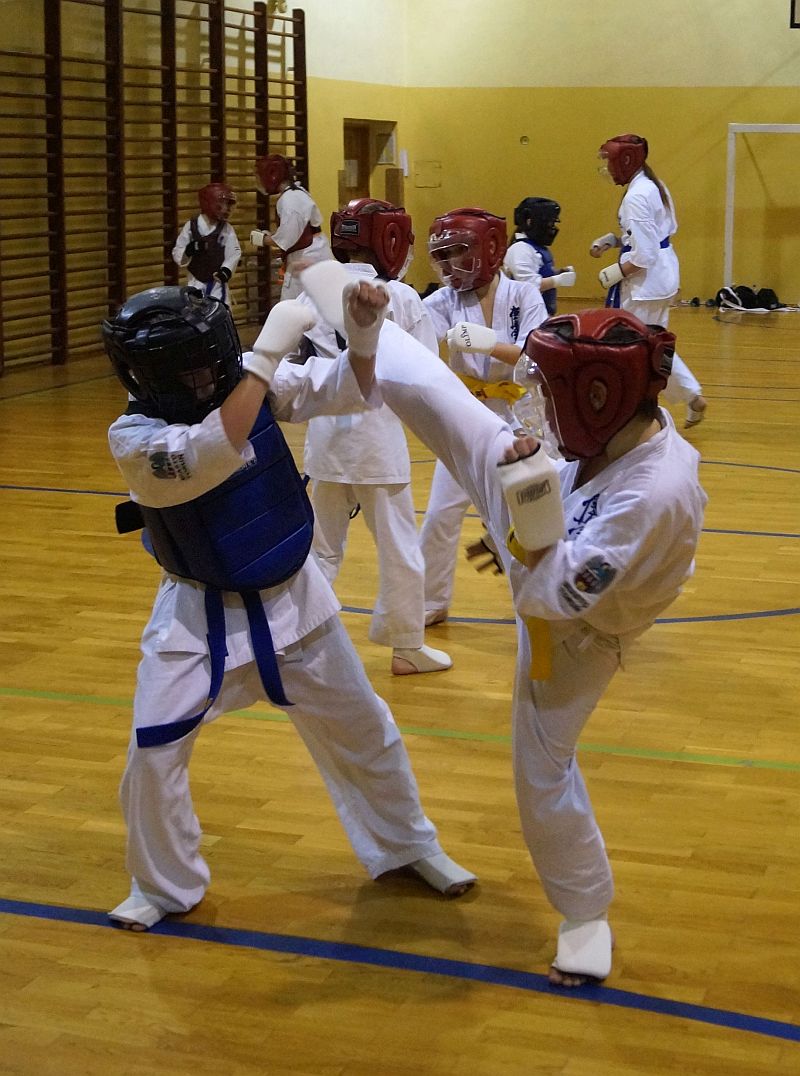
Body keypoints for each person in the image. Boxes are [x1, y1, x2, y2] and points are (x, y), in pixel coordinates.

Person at [300, 259, 707, 986]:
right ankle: (363, 318)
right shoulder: (620, 428)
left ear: (599, 397)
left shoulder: (656, 495)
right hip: (545, 528)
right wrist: (524, 496)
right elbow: (546, 470)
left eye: (555, 393)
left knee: (541, 771)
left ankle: (586, 916)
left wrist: (526, 507)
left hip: (580, 632)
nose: (543, 404)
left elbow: (553, 599)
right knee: (449, 406)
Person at [100, 283, 477, 931]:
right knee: (153, 752)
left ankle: (408, 845)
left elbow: (349, 388)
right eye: (182, 371)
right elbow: (207, 452)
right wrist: (264, 358)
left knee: (365, 728)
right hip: (197, 617)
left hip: (295, 598)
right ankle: (163, 886)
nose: (198, 379)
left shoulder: (255, 384)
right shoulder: (134, 434)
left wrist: (362, 334)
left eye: (204, 365)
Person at [300, 197, 451, 675]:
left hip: (324, 440)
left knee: (320, 548)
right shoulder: (400, 297)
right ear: (390, 239)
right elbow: (425, 373)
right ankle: (406, 646)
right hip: (378, 444)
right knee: (399, 548)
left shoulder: (310, 292)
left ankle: (296, 639)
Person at [419, 207, 549, 625]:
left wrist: (489, 343)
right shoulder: (442, 301)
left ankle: (538, 604)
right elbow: (412, 337)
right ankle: (430, 602)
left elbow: (537, 357)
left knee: (526, 517)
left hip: (519, 416)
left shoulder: (523, 295)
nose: (448, 264)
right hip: (465, 416)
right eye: (442, 256)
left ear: (488, 249)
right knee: (440, 515)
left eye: (456, 252)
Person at [591, 133, 708, 428]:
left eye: (610, 162)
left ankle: (633, 412)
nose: (607, 169)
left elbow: (644, 255)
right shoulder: (653, 184)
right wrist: (615, 240)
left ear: (626, 161)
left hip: (645, 284)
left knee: (629, 348)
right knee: (655, 344)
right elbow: (655, 235)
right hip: (662, 276)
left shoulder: (637, 196)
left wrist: (615, 272)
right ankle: (691, 396)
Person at [249, 153, 333, 299]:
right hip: (310, 254)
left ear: (272, 175)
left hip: (308, 258)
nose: (259, 182)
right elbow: (293, 234)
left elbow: (286, 239)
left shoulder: (290, 200)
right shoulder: (297, 193)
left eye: (260, 177)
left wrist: (262, 239)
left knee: (294, 305)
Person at [503, 197, 576, 314]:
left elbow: (536, 273)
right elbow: (529, 285)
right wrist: (558, 280)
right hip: (523, 318)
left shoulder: (534, 248)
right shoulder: (520, 249)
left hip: (539, 315)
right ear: (529, 222)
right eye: (549, 223)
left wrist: (558, 273)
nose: (552, 227)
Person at [172, 182, 241, 304]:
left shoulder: (226, 229)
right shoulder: (191, 227)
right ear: (210, 203)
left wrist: (226, 270)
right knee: (195, 311)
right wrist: (189, 250)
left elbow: (234, 252)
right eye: (223, 204)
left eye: (228, 204)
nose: (226, 208)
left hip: (217, 284)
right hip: (195, 282)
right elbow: (178, 252)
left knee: (220, 311)